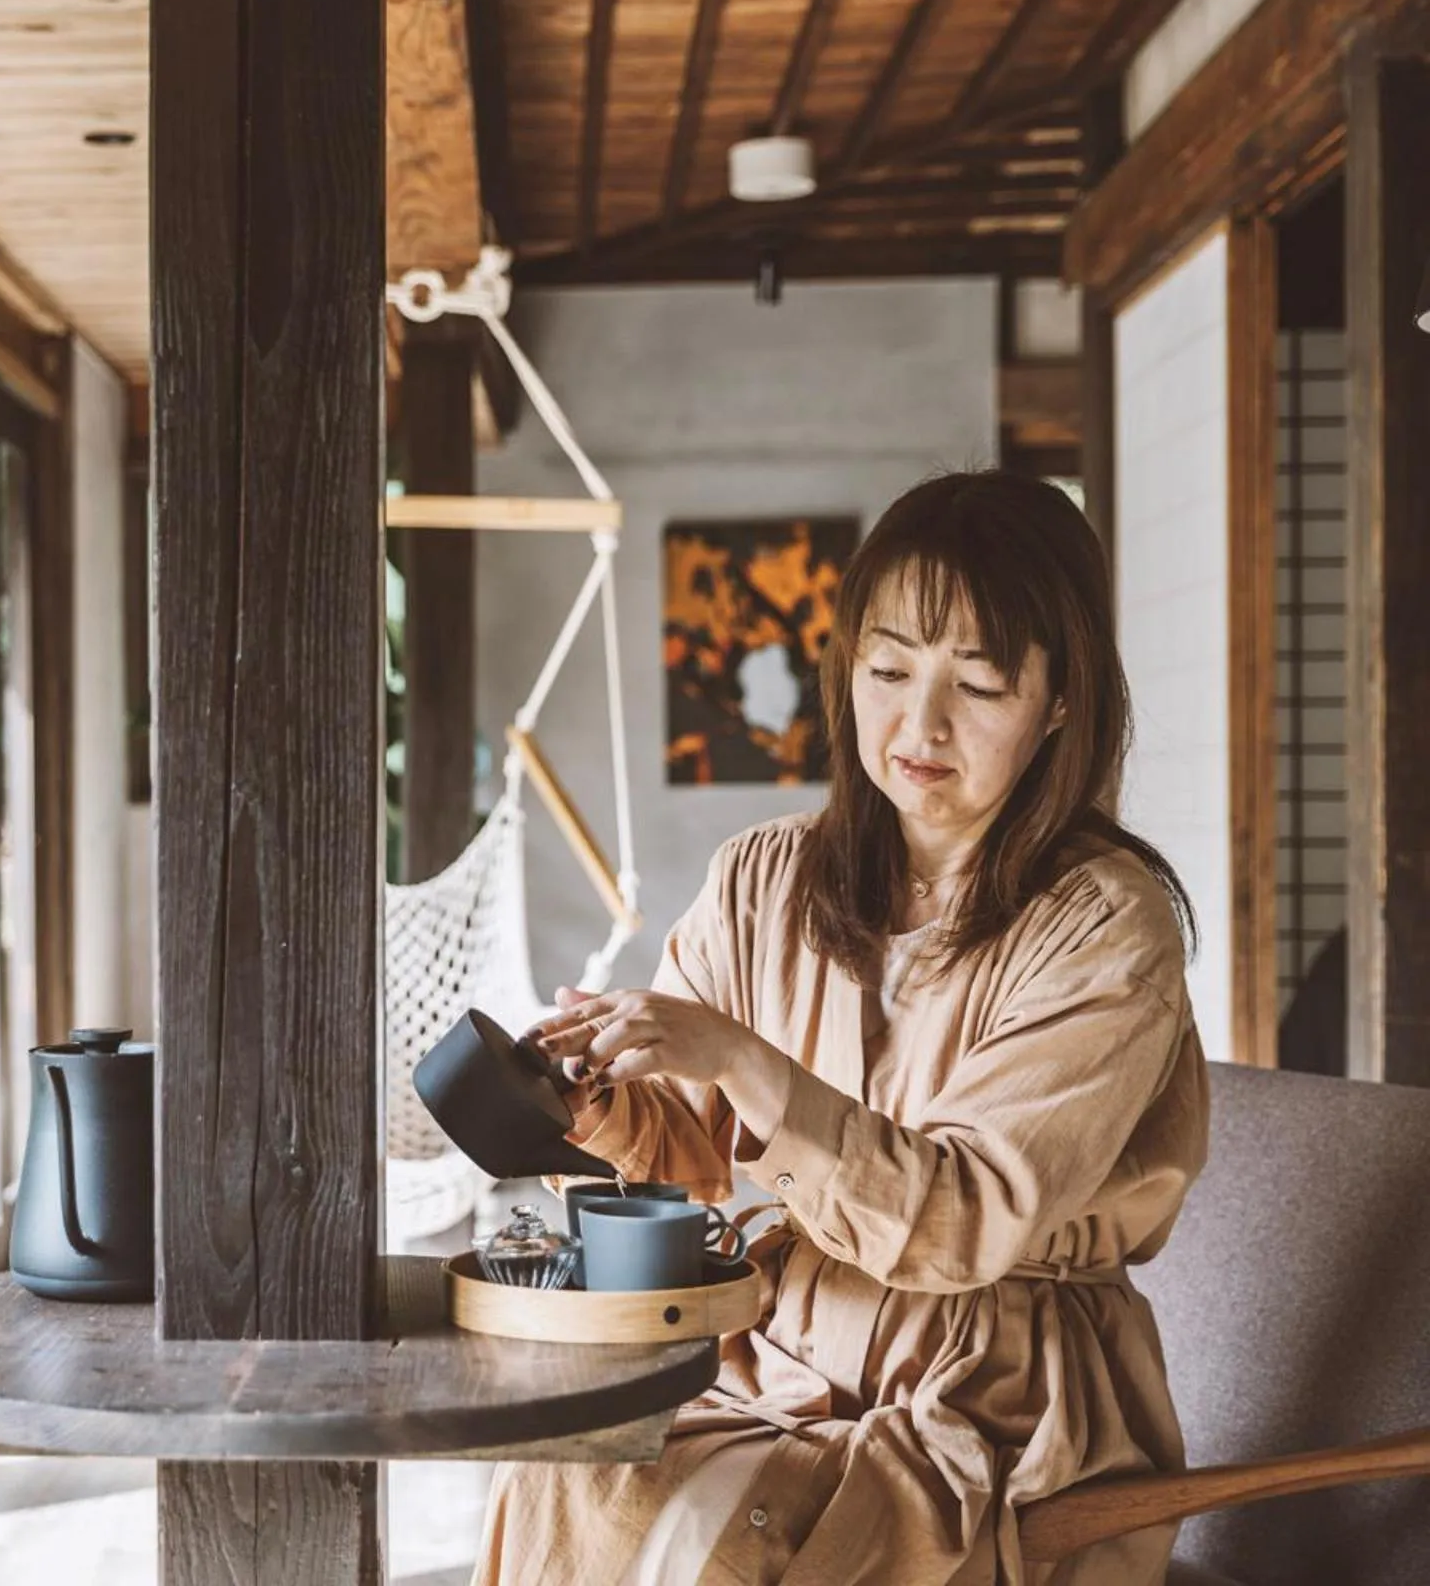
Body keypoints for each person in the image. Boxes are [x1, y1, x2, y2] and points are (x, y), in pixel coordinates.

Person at [477, 471, 1209, 1586]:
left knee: (695, 1544)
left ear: (1060, 702)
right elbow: (690, 1144)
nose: (921, 723)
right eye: (888, 669)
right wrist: (598, 1099)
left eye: (979, 682)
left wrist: (741, 1056)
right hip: (778, 1353)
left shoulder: (1108, 924)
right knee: (557, 1471)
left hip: (998, 1400)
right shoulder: (764, 877)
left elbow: (964, 1219)